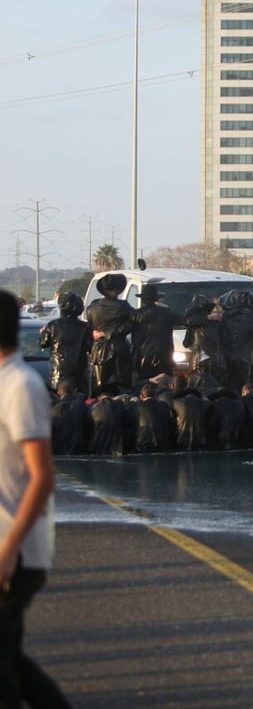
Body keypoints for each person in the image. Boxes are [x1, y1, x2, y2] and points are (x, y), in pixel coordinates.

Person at [0, 290, 73, 708]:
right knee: (8, 658)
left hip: (16, 549)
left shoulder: (21, 386)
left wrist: (9, 549)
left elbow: (42, 476)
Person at [85, 273, 134, 396]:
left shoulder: (92, 308)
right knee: (123, 388)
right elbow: (132, 324)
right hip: (120, 349)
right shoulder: (124, 306)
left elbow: (90, 331)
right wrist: (110, 333)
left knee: (99, 389)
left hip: (99, 350)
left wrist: (104, 333)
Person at [130, 283, 181, 385]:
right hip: (164, 358)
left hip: (142, 360)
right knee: (164, 387)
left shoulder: (135, 314)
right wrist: (206, 318)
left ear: (142, 299)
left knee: (144, 387)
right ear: (156, 299)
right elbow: (185, 320)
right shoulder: (166, 312)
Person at [38, 292, 90, 393]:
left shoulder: (53, 325)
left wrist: (44, 333)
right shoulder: (84, 327)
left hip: (58, 371)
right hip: (79, 371)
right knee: (79, 400)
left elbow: (43, 344)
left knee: (58, 398)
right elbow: (89, 346)